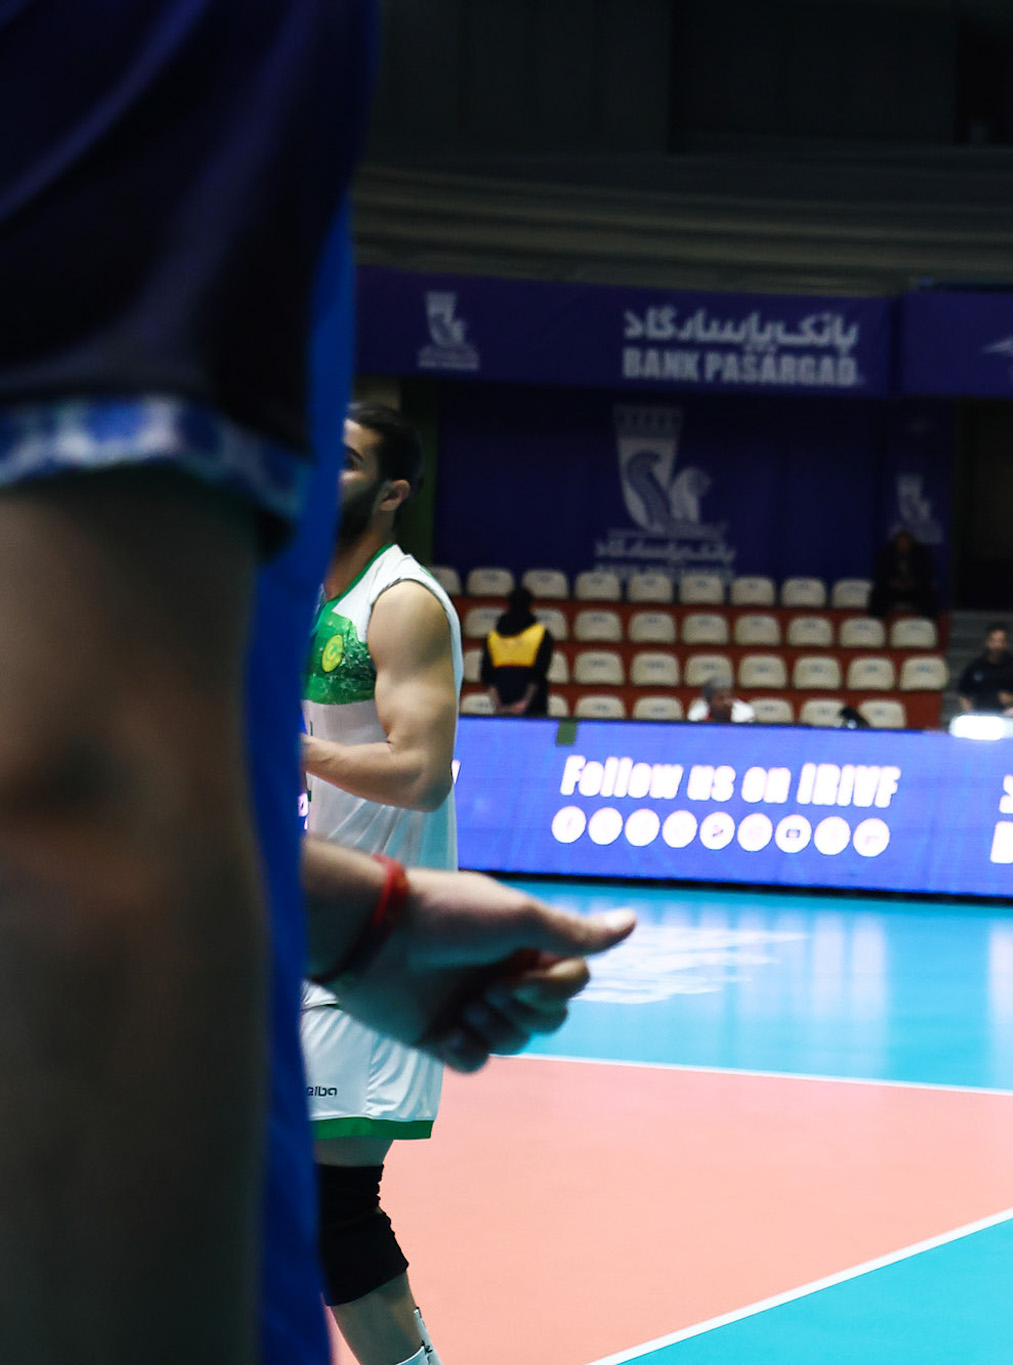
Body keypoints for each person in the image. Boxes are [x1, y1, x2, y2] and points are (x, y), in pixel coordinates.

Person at [0, 11, 632, 1361]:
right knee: (324, 1221)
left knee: (339, 1215)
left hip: (304, 937)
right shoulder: (187, 41)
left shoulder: (400, 600)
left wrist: (339, 910)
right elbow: (70, 792)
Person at [300, 402, 464, 1365]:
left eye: (347, 459)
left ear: (393, 492)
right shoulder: (316, 592)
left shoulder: (400, 603)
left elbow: (421, 771)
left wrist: (287, 748)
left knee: (332, 1207)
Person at [481, 586, 555, 716]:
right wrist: (524, 703)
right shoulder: (541, 634)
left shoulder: (492, 637)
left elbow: (487, 676)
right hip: (534, 708)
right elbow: (539, 674)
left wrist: (499, 706)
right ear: (531, 605)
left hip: (502, 708)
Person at [957, 625, 1013, 711]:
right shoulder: (975, 666)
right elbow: (964, 694)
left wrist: (1012, 699)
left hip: (1011, 714)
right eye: (994, 641)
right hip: (982, 714)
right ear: (987, 642)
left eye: (1001, 641)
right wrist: (970, 713)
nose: (997, 645)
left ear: (1007, 644)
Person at [870, 527, 938, 619]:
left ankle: (928, 622)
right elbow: (880, 574)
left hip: (914, 589)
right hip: (893, 589)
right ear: (896, 543)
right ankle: (876, 622)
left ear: (911, 543)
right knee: (877, 594)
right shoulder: (887, 553)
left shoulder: (920, 553)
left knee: (929, 595)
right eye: (901, 542)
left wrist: (914, 582)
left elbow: (928, 574)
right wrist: (892, 582)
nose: (903, 545)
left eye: (906, 542)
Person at [688, 679, 756, 723]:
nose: (727, 702)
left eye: (730, 697)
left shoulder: (745, 715)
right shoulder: (696, 715)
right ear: (709, 701)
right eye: (721, 698)